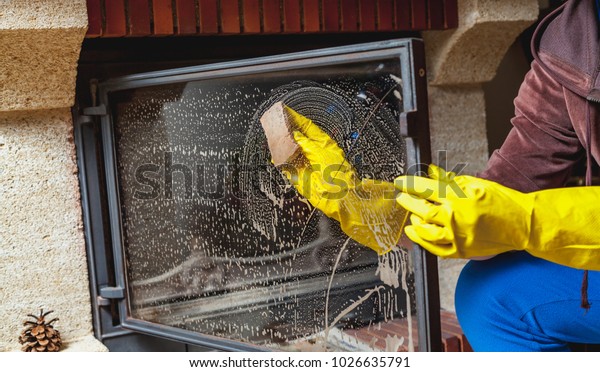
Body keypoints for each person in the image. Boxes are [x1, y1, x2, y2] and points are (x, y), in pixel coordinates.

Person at [282, 0, 600, 351]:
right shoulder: (572, 41)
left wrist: (527, 220)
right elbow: (509, 186)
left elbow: (516, 212)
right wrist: (374, 208)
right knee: (487, 298)